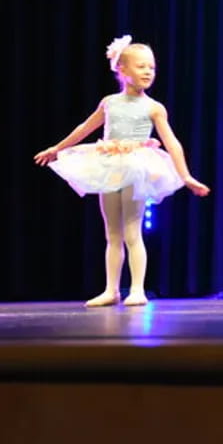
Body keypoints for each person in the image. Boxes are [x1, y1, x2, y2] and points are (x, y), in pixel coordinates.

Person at [35, 35, 210, 306]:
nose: (148, 72)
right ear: (122, 70)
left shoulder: (153, 107)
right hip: (108, 165)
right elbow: (85, 128)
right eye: (141, 66)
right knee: (112, 233)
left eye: (151, 67)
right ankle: (111, 290)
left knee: (132, 231)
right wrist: (56, 149)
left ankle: (137, 289)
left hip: (137, 165)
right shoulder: (109, 102)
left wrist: (185, 176)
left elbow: (172, 143)